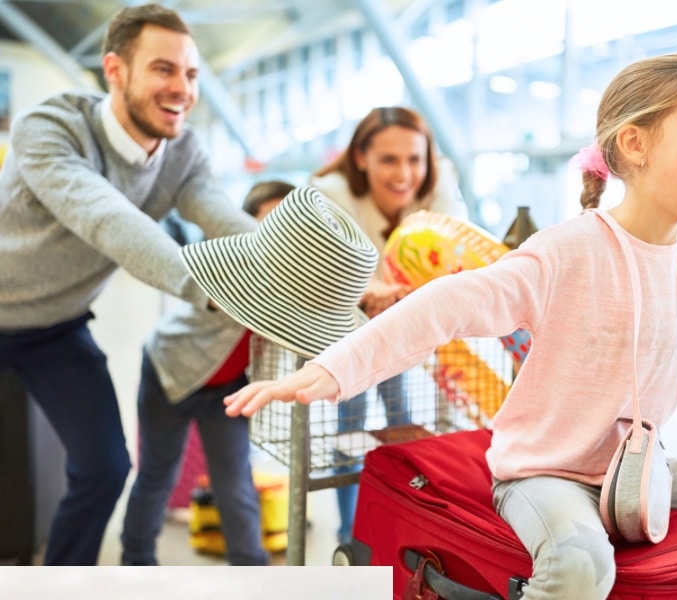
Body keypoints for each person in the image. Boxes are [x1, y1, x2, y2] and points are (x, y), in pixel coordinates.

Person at [224, 51, 677, 598]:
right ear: (636, 144)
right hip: (543, 472)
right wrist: (327, 372)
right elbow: (442, 306)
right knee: (581, 564)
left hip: (633, 469)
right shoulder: (566, 253)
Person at [0, 4, 258, 565]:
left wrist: (294, 269)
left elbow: (225, 218)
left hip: (55, 329)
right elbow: (108, 219)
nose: (182, 89)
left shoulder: (183, 152)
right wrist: (217, 287)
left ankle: (64, 584)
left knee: (106, 469)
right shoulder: (50, 127)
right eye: (163, 69)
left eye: (191, 74)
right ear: (115, 70)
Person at [309, 106, 468, 544]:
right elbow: (324, 267)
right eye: (389, 160)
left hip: (406, 329)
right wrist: (369, 291)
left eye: (414, 159)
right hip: (350, 329)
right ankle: (350, 532)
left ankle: (393, 527)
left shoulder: (438, 184)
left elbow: (458, 244)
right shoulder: (330, 193)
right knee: (351, 424)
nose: (404, 174)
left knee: (403, 424)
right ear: (361, 157)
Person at [119, 180, 295, 566]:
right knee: (157, 474)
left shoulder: (292, 283)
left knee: (234, 483)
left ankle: (251, 571)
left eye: (288, 226)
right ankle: (135, 562)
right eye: (267, 225)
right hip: (170, 372)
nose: (277, 237)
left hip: (228, 388)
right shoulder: (229, 265)